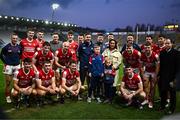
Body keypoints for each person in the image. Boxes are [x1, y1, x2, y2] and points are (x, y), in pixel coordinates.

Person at [158, 38, 179, 115]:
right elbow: (161, 66)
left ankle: (172, 108)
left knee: (172, 94)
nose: (167, 45)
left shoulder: (176, 53)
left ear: (172, 44)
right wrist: (159, 75)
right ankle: (162, 105)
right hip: (163, 76)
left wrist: (175, 79)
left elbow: (178, 67)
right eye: (166, 43)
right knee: (163, 92)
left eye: (168, 43)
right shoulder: (162, 53)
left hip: (172, 77)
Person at [0, 33, 22, 103]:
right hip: (9, 66)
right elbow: (1, 55)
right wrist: (5, 62)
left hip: (17, 66)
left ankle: (16, 94)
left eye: (16, 38)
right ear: (11, 39)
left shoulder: (19, 47)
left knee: (18, 82)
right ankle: (7, 96)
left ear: (17, 39)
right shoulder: (6, 47)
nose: (15, 40)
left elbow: (20, 55)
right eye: (13, 38)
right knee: (8, 82)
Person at [140, 42, 160, 108]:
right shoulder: (142, 55)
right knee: (145, 86)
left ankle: (151, 101)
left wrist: (156, 76)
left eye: (148, 47)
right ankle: (146, 99)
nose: (147, 49)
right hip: (147, 71)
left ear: (151, 48)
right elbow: (141, 66)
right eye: (146, 48)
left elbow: (157, 67)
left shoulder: (155, 55)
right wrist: (143, 75)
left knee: (153, 86)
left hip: (154, 72)